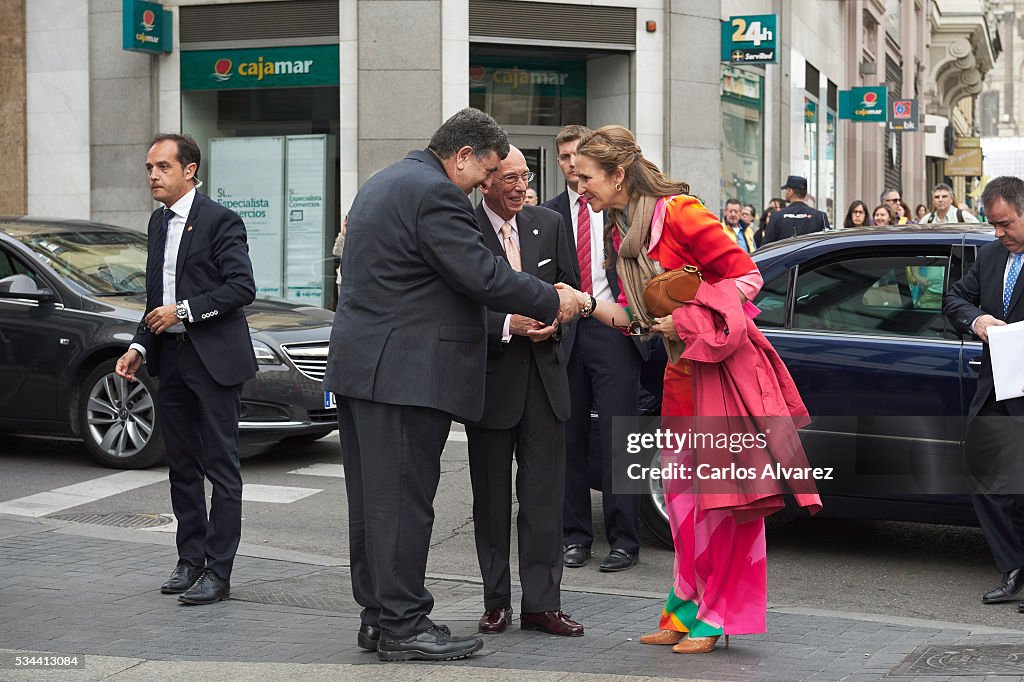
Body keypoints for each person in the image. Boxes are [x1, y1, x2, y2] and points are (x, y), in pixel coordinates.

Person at [323, 108, 581, 663]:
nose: (486, 184)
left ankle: (379, 615)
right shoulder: (435, 193)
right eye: (485, 171)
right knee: (402, 504)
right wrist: (551, 297)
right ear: (461, 156)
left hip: (368, 369)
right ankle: (403, 624)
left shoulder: (385, 181)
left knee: (373, 503)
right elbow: (479, 273)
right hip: (405, 375)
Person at [567, 124, 820, 654]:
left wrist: (684, 319)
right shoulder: (623, 223)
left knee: (723, 506)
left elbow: (746, 277)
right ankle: (684, 613)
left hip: (721, 373)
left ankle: (715, 618)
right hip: (682, 375)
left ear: (618, 175)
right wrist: (583, 304)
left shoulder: (681, 213)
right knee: (684, 508)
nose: (578, 183)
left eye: (586, 175)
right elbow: (638, 312)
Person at [115, 133, 257, 606]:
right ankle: (189, 560)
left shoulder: (221, 221)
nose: (153, 175)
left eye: (162, 167)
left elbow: (241, 288)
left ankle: (219, 572)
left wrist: (186, 311)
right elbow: (156, 297)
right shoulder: (158, 223)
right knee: (181, 466)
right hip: (170, 358)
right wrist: (139, 342)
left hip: (213, 361)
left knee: (221, 467)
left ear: (189, 170)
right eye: (149, 167)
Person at [466, 146, 584, 638]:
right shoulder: (463, 228)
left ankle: (543, 603)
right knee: (491, 502)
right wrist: (507, 325)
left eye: (526, 176)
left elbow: (574, 295)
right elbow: (457, 307)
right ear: (486, 179)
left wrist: (554, 325)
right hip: (493, 385)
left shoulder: (550, 224)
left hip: (545, 383)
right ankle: (497, 602)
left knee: (543, 500)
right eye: (510, 177)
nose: (520, 186)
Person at [542, 124, 647, 573]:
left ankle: (624, 539)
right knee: (567, 437)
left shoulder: (624, 210)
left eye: (577, 157)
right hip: (566, 333)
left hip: (615, 330)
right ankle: (575, 536)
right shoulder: (547, 216)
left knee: (619, 435)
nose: (570, 166)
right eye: (563, 158)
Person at [943, 176, 1024, 607]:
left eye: (1005, 224)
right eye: (992, 224)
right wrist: (978, 321)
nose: (997, 233)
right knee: (988, 480)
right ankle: (1012, 568)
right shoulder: (991, 256)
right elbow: (955, 299)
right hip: (993, 389)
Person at [761, 176, 830, 244]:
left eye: (786, 190)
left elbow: (766, 247)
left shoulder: (777, 216)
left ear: (790, 192)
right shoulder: (820, 216)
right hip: (812, 255)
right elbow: (828, 245)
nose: (785, 193)